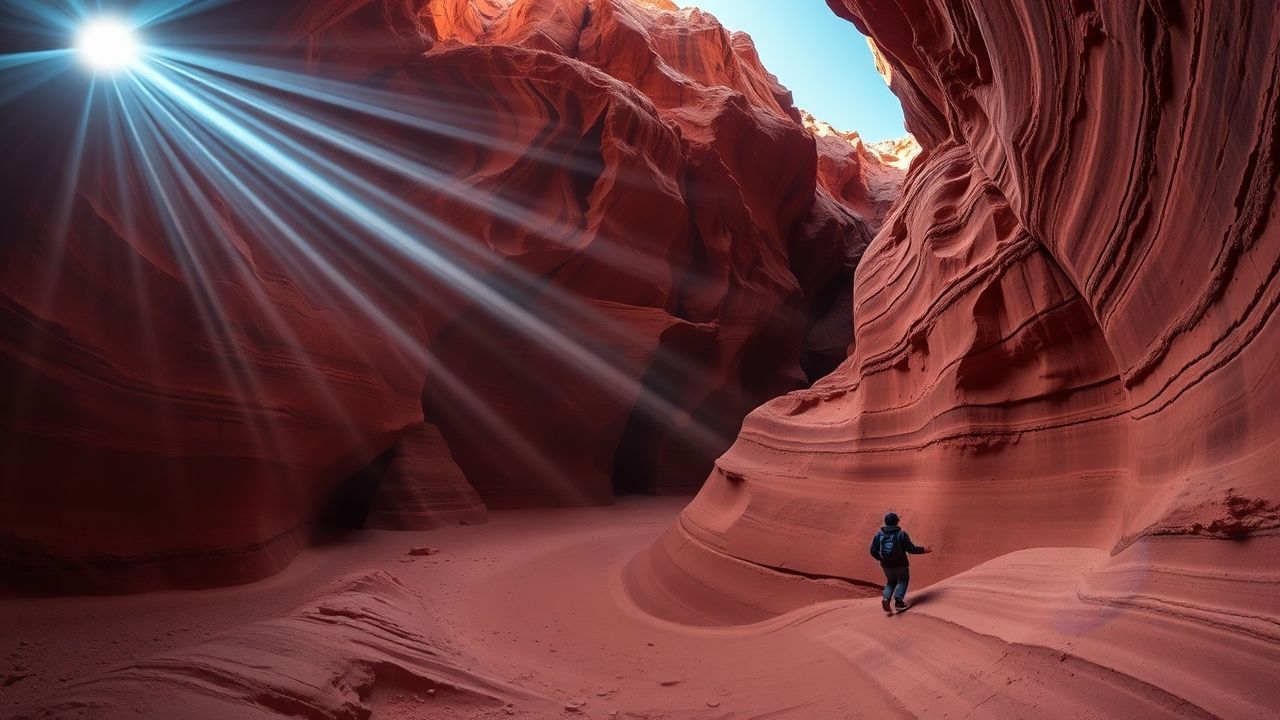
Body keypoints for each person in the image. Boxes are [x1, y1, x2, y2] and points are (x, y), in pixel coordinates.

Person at [869, 512, 931, 613]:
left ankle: (886, 598)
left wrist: (881, 559)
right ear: (897, 522)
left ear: (886, 522)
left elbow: (872, 551)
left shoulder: (879, 534)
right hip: (901, 564)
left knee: (891, 581)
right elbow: (911, 549)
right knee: (903, 580)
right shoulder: (901, 534)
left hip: (886, 565)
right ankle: (898, 602)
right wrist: (923, 550)